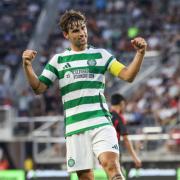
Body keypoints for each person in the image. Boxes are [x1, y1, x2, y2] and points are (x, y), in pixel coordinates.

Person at [22, 10, 147, 180]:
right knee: (86, 177)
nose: (82, 33)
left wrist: (140, 54)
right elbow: (38, 88)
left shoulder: (101, 55)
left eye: (83, 28)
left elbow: (128, 75)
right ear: (66, 35)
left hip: (101, 122)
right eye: (75, 31)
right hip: (75, 128)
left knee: (112, 167)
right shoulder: (58, 61)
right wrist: (27, 66)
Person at [110, 94, 142, 169]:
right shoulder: (119, 118)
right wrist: (135, 157)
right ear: (121, 103)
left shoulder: (105, 115)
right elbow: (126, 140)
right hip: (114, 151)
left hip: (102, 152)